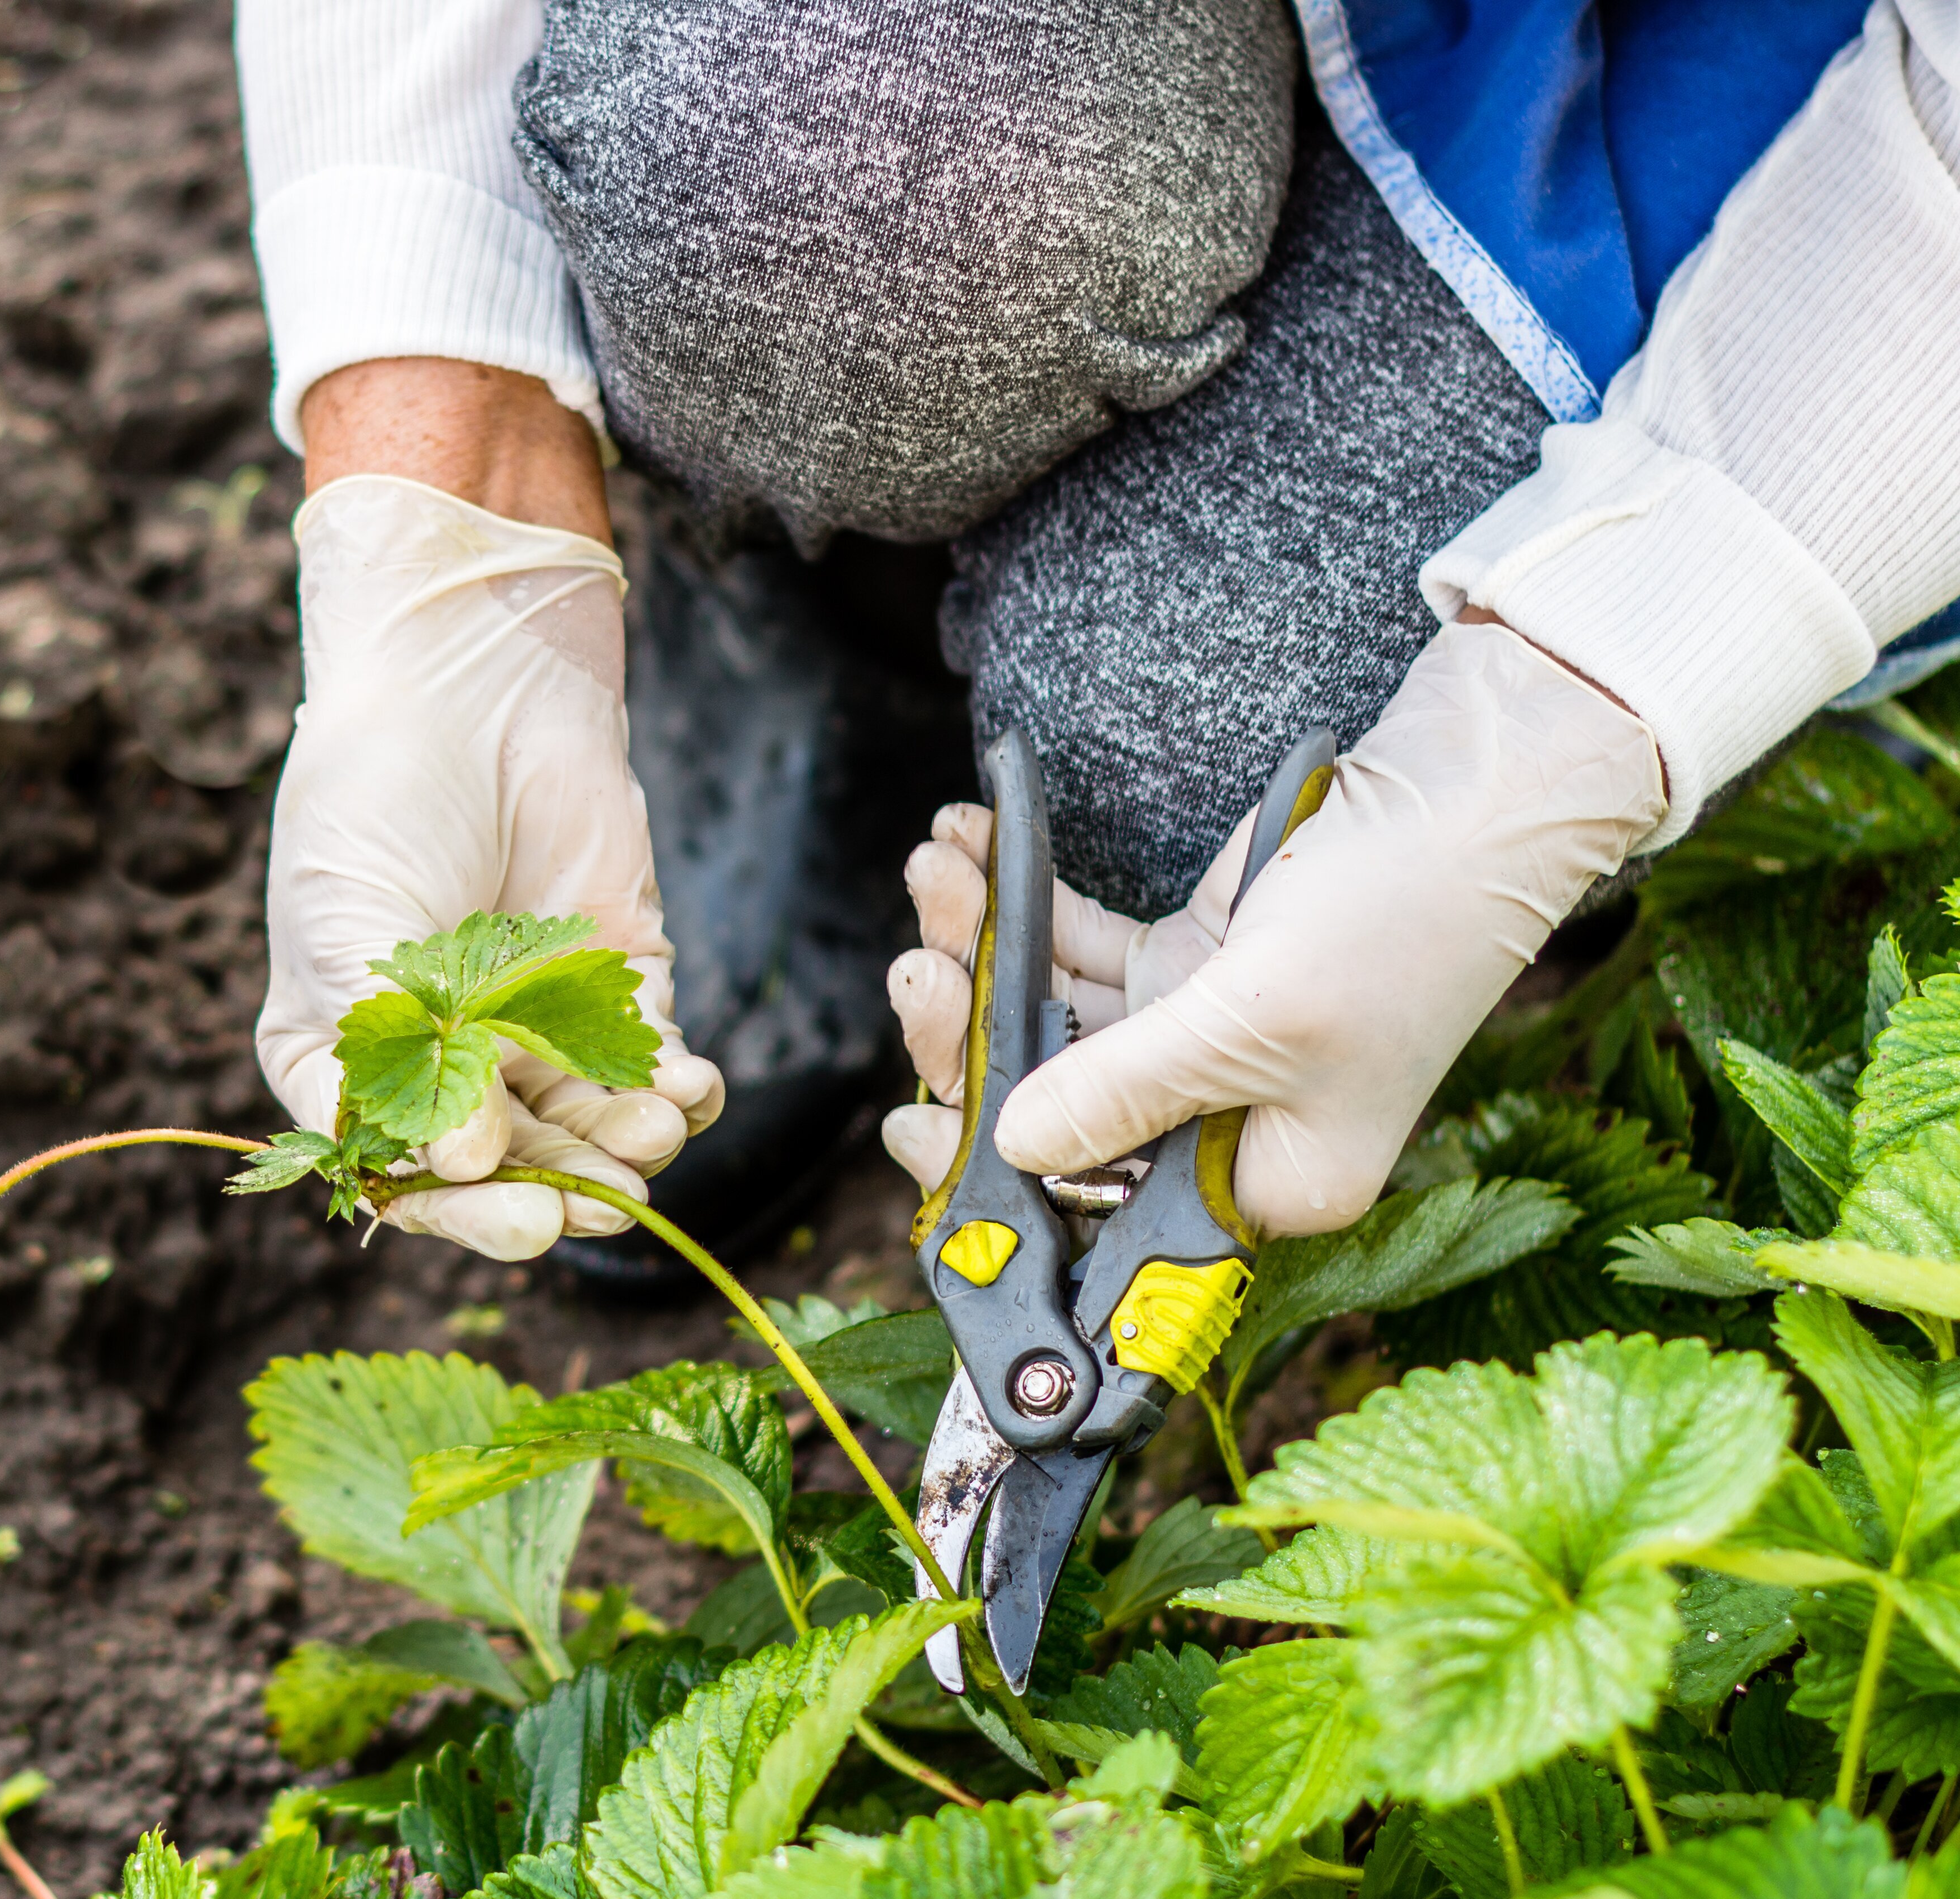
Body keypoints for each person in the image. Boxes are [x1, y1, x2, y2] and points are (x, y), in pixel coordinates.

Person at [236, 0, 1960, 1269]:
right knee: (801, 173)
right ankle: (795, 588)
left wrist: (1563, 723)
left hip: (1781, 114)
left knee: (1197, 778)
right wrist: (444, 514)